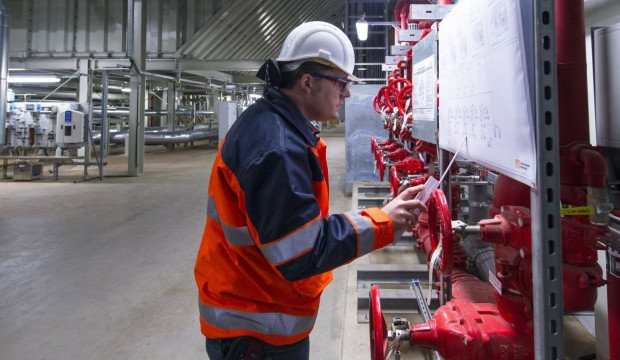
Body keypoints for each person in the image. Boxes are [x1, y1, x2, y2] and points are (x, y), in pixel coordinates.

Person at [194, 21, 426, 360]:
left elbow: (296, 228)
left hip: (255, 308)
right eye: (342, 84)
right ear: (307, 82)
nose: (347, 94)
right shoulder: (277, 148)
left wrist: (381, 215)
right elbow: (301, 252)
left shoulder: (276, 127)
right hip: (256, 330)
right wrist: (382, 222)